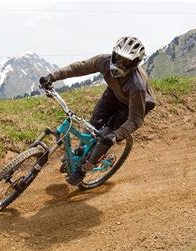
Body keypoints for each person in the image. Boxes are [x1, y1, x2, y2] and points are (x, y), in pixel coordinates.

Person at [39, 36, 156, 186]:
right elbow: (79, 68)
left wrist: (115, 136)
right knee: (93, 124)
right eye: (118, 57)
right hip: (114, 93)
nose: (119, 63)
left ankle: (84, 169)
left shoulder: (137, 85)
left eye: (126, 61)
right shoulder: (104, 61)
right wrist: (52, 77)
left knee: (105, 135)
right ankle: (80, 153)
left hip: (134, 105)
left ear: (134, 64)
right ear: (113, 53)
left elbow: (135, 120)